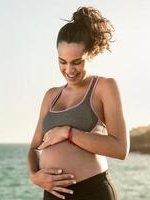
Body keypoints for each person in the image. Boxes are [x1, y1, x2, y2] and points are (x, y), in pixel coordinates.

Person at [26, 6, 130, 200]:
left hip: (92, 192)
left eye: (77, 62)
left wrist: (68, 132)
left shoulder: (104, 87)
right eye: (62, 62)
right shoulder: (51, 95)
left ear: (90, 54)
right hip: (53, 194)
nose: (69, 70)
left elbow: (120, 148)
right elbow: (34, 147)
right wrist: (35, 176)